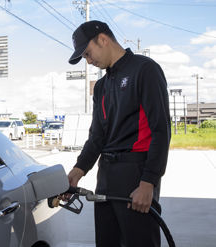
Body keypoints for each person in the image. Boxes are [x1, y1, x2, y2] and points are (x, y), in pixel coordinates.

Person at [67, 20, 171, 247]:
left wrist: (148, 183)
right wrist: (78, 170)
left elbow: (160, 130)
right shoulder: (102, 86)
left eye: (88, 53)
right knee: (107, 241)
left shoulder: (145, 69)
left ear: (103, 39)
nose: (89, 60)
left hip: (135, 173)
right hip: (106, 176)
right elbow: (97, 136)